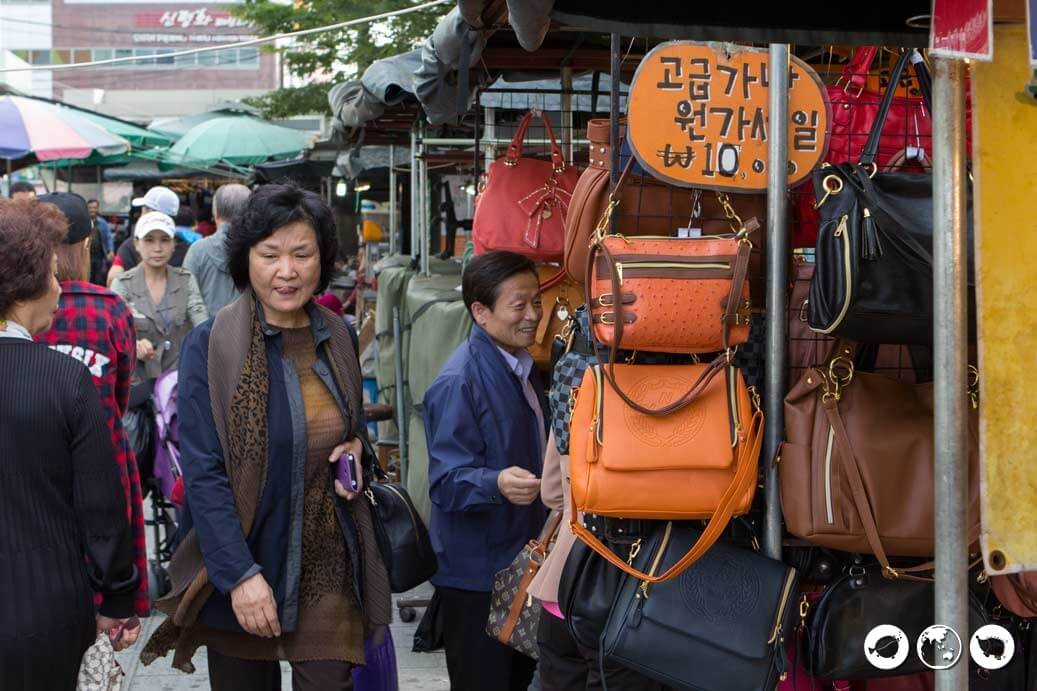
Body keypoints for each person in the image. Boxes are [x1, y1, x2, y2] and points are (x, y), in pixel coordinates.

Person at [140, 182, 391, 691]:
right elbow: (205, 474)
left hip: (326, 563)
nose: (287, 271)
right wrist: (239, 576)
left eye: (302, 254)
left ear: (322, 259)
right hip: (244, 560)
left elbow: (353, 426)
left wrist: (356, 449)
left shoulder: (337, 335)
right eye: (270, 254)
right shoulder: (210, 347)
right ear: (245, 258)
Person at [0, 197, 140, 688]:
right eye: (52, 275)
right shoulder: (67, 380)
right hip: (49, 605)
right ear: (28, 284)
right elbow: (102, 507)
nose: (61, 286)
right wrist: (118, 599)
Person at [423, 250, 548, 691]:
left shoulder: (524, 369)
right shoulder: (460, 381)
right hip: (478, 577)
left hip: (521, 565)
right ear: (480, 311)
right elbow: (444, 481)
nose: (533, 315)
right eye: (519, 305)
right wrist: (494, 482)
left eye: (536, 301)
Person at [35, 192, 151, 621]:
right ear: (86, 247)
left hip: (35, 462)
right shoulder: (109, 310)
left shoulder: (18, 312)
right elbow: (120, 397)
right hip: (103, 456)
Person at [528, 433, 670, 691]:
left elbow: (551, 494)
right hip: (639, 598)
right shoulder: (681, 398)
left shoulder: (571, 391)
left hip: (566, 584)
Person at [110, 211, 208, 381]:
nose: (157, 248)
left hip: (178, 384)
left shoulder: (186, 280)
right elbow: (114, 335)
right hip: (137, 385)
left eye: (164, 240)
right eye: (149, 240)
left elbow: (201, 321)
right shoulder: (122, 284)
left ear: (173, 244)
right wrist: (134, 346)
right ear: (136, 244)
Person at [183, 183, 249, 314]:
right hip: (252, 331)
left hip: (205, 331)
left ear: (216, 213)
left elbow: (185, 295)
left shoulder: (198, 250)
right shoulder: (259, 250)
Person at [108, 186, 187, 286]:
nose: (157, 249)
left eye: (143, 210)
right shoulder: (189, 248)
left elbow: (112, 279)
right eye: (149, 240)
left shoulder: (131, 245)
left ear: (148, 212)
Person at [87, 198, 114, 285]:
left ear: (98, 209)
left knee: (99, 279)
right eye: (90, 208)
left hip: (100, 257)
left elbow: (109, 237)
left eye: (94, 208)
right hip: (87, 257)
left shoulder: (103, 223)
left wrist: (111, 250)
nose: (92, 210)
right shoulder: (84, 223)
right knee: (88, 278)